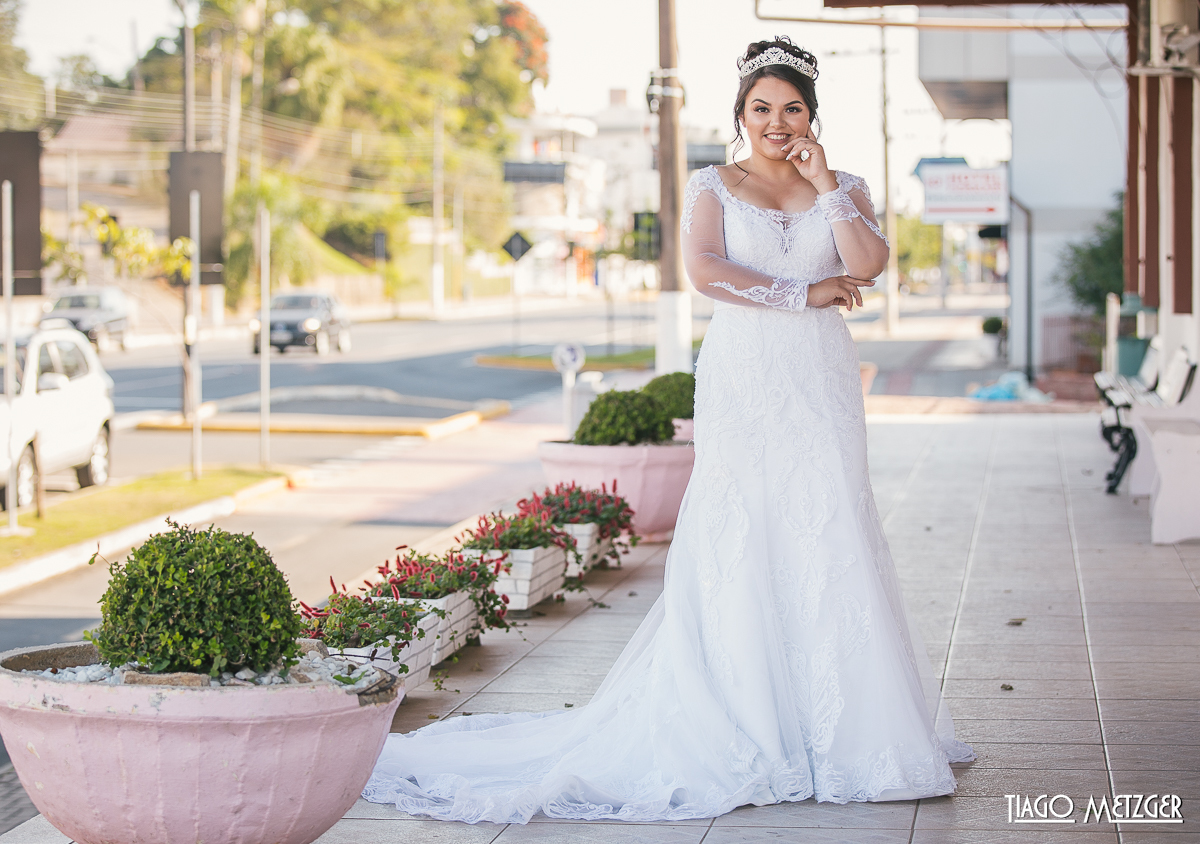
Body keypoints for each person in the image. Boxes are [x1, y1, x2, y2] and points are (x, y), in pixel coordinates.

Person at [363, 36, 974, 824]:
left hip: (819, 381)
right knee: (742, 521)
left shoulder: (844, 184)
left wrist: (825, 188)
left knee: (830, 521)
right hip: (746, 370)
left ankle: (849, 729)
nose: (777, 122)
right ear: (741, 115)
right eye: (762, 109)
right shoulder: (713, 184)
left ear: (812, 116)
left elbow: (871, 261)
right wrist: (806, 291)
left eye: (792, 109)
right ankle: (745, 718)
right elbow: (707, 272)